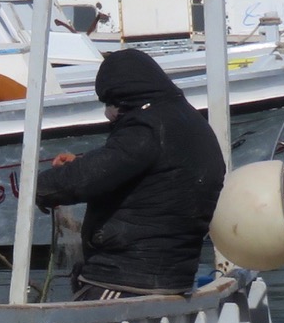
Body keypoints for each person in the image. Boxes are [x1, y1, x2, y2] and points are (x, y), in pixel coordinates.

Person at [36, 49, 226, 299]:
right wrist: (80, 162)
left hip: (126, 279)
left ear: (126, 96)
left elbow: (85, 178)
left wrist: (37, 188)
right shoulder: (187, 119)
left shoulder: (146, 124)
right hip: (172, 279)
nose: (109, 113)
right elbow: (146, 170)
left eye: (111, 103)